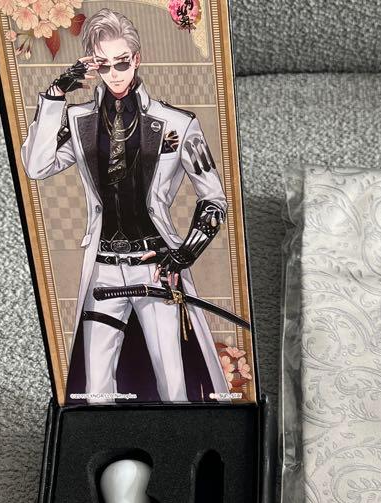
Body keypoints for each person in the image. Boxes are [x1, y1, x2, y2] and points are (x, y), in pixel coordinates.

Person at [21, 8, 229, 402]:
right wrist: (56, 93)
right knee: (96, 389)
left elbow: (213, 198)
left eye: (121, 62)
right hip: (102, 268)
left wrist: (184, 253)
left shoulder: (177, 123)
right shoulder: (79, 121)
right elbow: (36, 166)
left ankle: (181, 437)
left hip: (155, 267)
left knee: (172, 383)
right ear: (92, 65)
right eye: (104, 65)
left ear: (136, 59)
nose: (114, 73)